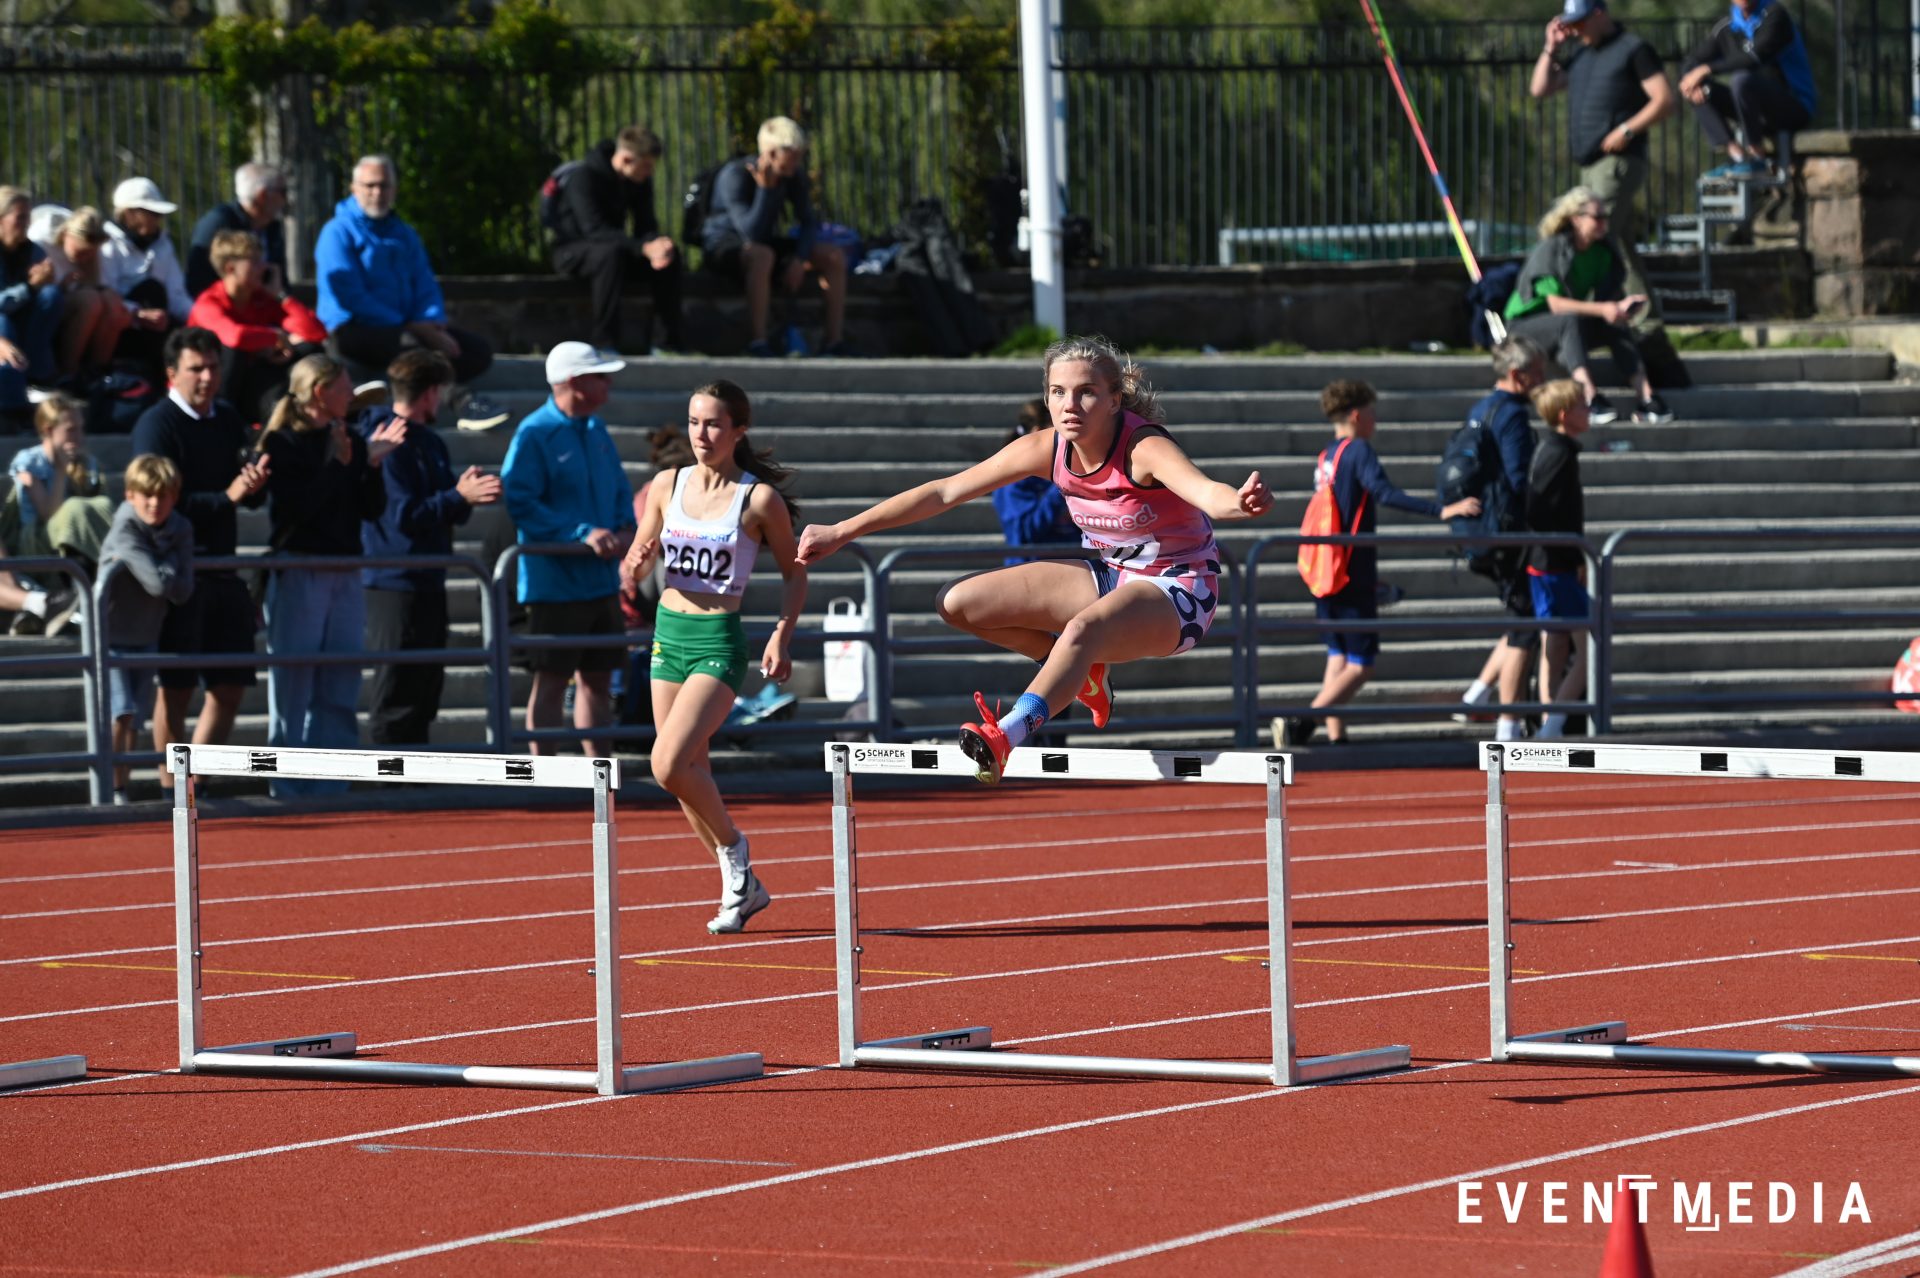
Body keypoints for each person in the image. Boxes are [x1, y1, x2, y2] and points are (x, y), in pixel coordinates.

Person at [795, 335, 1273, 783]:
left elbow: (1206, 492)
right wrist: (843, 530)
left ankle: (1006, 734)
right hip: (1112, 574)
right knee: (957, 603)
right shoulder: (1046, 448)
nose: (1070, 405)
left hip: (1180, 590)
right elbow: (945, 491)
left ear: (1114, 400)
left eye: (1086, 393)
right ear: (1046, 398)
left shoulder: (1143, 448)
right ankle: (1084, 673)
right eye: (1058, 392)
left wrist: (1240, 502)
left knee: (1082, 629)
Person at [621, 380, 805, 932]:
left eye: (714, 425)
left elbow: (794, 574)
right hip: (667, 636)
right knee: (685, 773)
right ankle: (740, 885)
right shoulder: (666, 484)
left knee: (667, 764)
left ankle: (735, 849)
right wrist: (636, 561)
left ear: (738, 431)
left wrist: (781, 634)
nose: (701, 434)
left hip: (717, 642)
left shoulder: (758, 500)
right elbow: (639, 557)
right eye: (694, 422)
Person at [1274, 381, 1480, 748]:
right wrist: (1441, 510)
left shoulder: (1327, 455)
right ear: (1356, 415)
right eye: (1372, 412)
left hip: (1326, 567)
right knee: (1361, 663)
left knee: (1338, 654)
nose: (1376, 420)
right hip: (1351, 569)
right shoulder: (1358, 450)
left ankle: (1337, 736)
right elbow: (1384, 492)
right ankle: (1302, 723)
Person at [256, 353, 405, 797]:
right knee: (293, 682)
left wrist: (370, 465)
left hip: (344, 569)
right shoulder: (282, 442)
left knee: (341, 678)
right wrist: (340, 464)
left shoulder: (350, 436)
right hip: (300, 568)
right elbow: (298, 511)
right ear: (320, 392)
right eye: (343, 387)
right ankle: (287, 786)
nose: (351, 394)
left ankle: (331, 785)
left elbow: (371, 509)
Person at [129, 326, 271, 786]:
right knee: (176, 688)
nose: (207, 377)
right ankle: (171, 790)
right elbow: (154, 503)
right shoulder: (156, 424)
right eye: (196, 368)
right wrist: (227, 497)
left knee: (230, 687)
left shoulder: (226, 417)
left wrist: (253, 485)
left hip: (223, 571)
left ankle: (197, 786)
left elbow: (243, 495)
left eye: (213, 367)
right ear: (172, 373)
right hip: (179, 575)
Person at [358, 349, 502, 746]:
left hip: (429, 579)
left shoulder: (431, 442)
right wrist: (457, 496)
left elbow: (446, 510)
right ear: (430, 393)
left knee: (425, 689)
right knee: (397, 691)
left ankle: (416, 771)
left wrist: (464, 496)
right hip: (393, 582)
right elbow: (402, 516)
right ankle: (388, 776)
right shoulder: (387, 439)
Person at [502, 341, 635, 757]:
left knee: (598, 679)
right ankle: (544, 777)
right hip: (556, 585)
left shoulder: (596, 429)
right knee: (552, 680)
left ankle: (600, 777)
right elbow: (520, 501)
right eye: (600, 377)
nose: (608, 384)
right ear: (575, 382)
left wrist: (625, 528)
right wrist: (581, 534)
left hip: (600, 581)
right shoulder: (534, 432)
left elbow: (619, 488)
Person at [1530, 0, 1678, 354]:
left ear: (1599, 14)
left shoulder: (1633, 50)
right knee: (1617, 240)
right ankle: (1646, 319)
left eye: (1580, 22)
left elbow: (1664, 99)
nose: (1575, 30)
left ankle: (1611, 320)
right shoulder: (1581, 56)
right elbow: (1540, 88)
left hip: (1617, 162)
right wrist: (1551, 48)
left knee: (1597, 234)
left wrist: (1627, 129)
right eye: (1571, 24)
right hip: (1590, 165)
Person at [315, 154, 504, 431]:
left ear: (394, 189)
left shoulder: (404, 233)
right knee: (414, 349)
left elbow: (425, 283)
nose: (377, 192)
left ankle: (412, 378)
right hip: (355, 329)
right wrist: (410, 326)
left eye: (384, 185)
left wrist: (430, 321)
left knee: (475, 351)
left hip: (408, 327)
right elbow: (350, 296)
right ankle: (462, 402)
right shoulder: (337, 232)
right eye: (370, 185)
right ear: (354, 188)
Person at [1504, 187, 1673, 425]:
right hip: (1525, 329)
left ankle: (1647, 397)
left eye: (1606, 217)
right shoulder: (1551, 249)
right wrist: (1604, 309)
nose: (1604, 223)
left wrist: (1618, 309)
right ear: (1576, 219)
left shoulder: (1602, 252)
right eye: (1597, 217)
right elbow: (1556, 305)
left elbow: (1603, 300)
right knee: (1569, 321)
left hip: (1566, 328)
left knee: (1614, 325)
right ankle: (1589, 397)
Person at [1453, 336, 1548, 742]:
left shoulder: (1482, 408)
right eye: (1537, 372)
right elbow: (1519, 479)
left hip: (1484, 529)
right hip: (1508, 533)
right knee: (1526, 626)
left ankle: (1477, 695)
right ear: (1516, 374)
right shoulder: (1511, 415)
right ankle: (1508, 725)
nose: (1542, 380)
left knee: (1519, 617)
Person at [699, 116, 851, 357]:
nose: (797, 163)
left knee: (832, 256)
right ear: (770, 154)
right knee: (763, 256)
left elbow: (808, 222)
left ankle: (834, 343)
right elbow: (751, 233)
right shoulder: (734, 175)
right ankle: (758, 342)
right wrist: (765, 190)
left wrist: (800, 259)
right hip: (724, 246)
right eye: (792, 156)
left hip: (764, 245)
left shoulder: (792, 174)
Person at [96, 453, 194, 802]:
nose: (154, 504)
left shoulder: (180, 527)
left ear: (174, 497)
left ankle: (122, 787)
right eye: (146, 495)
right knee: (120, 713)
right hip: (111, 636)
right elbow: (158, 583)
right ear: (130, 495)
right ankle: (112, 790)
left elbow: (183, 591)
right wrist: (169, 563)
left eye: (162, 496)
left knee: (134, 717)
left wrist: (163, 568)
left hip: (147, 634)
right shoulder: (125, 527)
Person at [550, 125, 686, 356]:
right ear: (626, 159)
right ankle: (604, 343)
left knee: (669, 257)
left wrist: (657, 246)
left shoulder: (638, 182)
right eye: (646, 166)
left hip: (614, 250)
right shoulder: (584, 177)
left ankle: (666, 344)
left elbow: (645, 226)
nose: (650, 172)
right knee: (610, 254)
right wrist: (643, 247)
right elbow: (594, 230)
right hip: (571, 251)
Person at [188, 229, 327, 425]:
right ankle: (222, 422)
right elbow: (235, 337)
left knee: (310, 350)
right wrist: (276, 338)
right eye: (254, 262)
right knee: (233, 353)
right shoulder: (208, 303)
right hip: (218, 389)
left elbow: (315, 332)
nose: (264, 268)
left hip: (256, 382)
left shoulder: (261, 298)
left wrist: (280, 295)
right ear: (230, 268)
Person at [1679, 0, 1816, 180]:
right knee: (1696, 87)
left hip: (1793, 107)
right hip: (1756, 111)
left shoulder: (1774, 15)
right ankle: (1737, 156)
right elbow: (1692, 62)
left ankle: (1757, 157)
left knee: (1742, 80)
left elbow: (1754, 58)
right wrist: (1691, 79)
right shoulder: (1728, 26)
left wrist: (1706, 69)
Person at [1525, 379, 1592, 740]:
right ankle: (1553, 724)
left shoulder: (1555, 448)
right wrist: (1572, 554)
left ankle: (1549, 720)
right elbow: (1539, 509)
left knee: (1557, 641)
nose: (1589, 410)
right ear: (1565, 415)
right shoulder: (1557, 453)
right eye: (1582, 405)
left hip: (1548, 562)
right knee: (1592, 646)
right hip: (1554, 565)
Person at [7, 393, 113, 591]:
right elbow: (48, 514)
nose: (79, 437)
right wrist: (61, 470)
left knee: (102, 504)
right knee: (74, 508)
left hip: (76, 539)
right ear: (48, 430)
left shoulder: (85, 461)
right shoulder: (30, 462)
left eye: (81, 429)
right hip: (37, 541)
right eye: (71, 430)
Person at [100, 178, 195, 377]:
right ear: (129, 213)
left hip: (159, 325)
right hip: (123, 330)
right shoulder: (107, 245)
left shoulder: (163, 244)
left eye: (159, 214)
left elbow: (176, 296)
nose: (158, 219)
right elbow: (106, 294)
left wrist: (201, 317)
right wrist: (137, 314)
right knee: (151, 291)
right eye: (152, 213)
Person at [30, 206, 131, 381]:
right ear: (66, 234)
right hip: (45, 307)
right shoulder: (40, 241)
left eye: (90, 254)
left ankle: (98, 373)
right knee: (90, 301)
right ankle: (69, 373)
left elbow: (103, 286)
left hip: (74, 302)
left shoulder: (92, 249)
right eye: (81, 253)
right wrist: (61, 286)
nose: (84, 259)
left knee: (112, 302)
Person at [990, 397, 1078, 566]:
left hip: (1074, 567)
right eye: (1060, 431)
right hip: (1031, 571)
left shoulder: (1064, 466)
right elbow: (1024, 534)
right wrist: (1062, 484)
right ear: (1039, 432)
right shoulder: (1012, 478)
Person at [0, 186, 62, 424]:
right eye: (20, 217)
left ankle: (38, 379)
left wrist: (51, 280)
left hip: (23, 324)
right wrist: (30, 287)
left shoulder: (33, 250)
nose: (26, 223)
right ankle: (11, 403)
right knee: (2, 322)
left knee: (52, 295)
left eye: (28, 217)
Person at [185, 162, 290, 297]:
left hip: (264, 306)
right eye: (283, 192)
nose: (286, 199)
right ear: (262, 195)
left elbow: (281, 284)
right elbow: (197, 283)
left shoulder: (272, 228)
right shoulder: (218, 224)